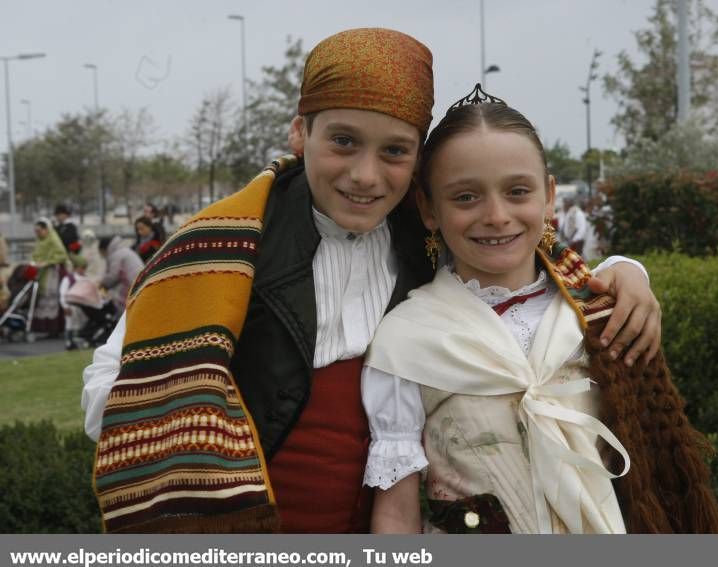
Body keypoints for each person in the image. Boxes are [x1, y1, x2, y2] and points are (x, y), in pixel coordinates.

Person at [82, 29, 661, 534]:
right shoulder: (221, 249)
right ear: (298, 133)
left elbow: (522, 262)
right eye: (343, 141)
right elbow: (110, 389)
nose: (365, 175)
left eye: (394, 151)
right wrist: (199, 411)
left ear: (417, 164)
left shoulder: (427, 233)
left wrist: (623, 272)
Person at [362, 88, 718, 534]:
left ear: (548, 197)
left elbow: (656, 472)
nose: (496, 215)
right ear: (428, 208)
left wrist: (629, 269)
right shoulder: (404, 341)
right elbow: (397, 512)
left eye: (517, 191)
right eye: (465, 197)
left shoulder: (599, 312)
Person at [31, 218, 69, 335]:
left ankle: (54, 328)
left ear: (46, 229)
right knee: (42, 298)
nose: (37, 233)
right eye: (36, 231)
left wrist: (47, 262)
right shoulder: (39, 241)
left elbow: (62, 255)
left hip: (52, 272)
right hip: (41, 272)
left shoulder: (53, 239)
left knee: (51, 298)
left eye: (39, 230)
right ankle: (45, 328)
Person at [97, 235, 144, 315]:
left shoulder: (116, 255)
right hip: (140, 281)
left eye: (102, 253)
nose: (103, 256)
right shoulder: (124, 250)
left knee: (119, 304)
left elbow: (113, 275)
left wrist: (101, 283)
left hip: (132, 284)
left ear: (104, 249)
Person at [59, 255, 90, 350]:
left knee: (82, 324)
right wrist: (65, 306)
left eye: (85, 268)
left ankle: (82, 340)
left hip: (82, 307)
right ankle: (69, 342)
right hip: (71, 307)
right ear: (76, 267)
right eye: (82, 268)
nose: (83, 271)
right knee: (70, 324)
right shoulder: (68, 279)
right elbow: (63, 293)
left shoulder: (85, 279)